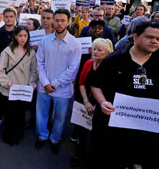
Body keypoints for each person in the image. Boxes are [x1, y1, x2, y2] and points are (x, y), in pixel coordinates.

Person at [90, 21, 159, 169]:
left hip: (146, 131)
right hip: (113, 131)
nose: (154, 41)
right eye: (149, 37)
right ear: (135, 37)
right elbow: (95, 85)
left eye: (158, 39)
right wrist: (102, 102)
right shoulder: (114, 60)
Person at [35, 9, 82, 153]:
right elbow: (39, 63)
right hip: (44, 87)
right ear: (52, 21)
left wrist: (54, 84)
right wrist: (45, 83)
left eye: (63, 20)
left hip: (62, 89)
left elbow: (72, 70)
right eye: (57, 20)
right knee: (41, 114)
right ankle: (43, 136)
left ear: (68, 22)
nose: (59, 23)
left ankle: (55, 139)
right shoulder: (44, 40)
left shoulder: (75, 44)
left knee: (60, 118)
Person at [74, 38, 113, 167]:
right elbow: (81, 83)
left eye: (100, 50)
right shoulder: (88, 63)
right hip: (85, 101)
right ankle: (80, 154)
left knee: (97, 135)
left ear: (108, 52)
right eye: (94, 49)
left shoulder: (110, 67)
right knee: (82, 130)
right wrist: (86, 102)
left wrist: (98, 104)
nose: (95, 52)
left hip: (101, 106)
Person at [0, 26, 38, 146]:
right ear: (15, 36)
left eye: (25, 36)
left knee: (20, 115)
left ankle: (18, 135)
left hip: (23, 90)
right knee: (10, 114)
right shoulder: (7, 51)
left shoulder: (31, 52)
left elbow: (34, 71)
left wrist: (31, 83)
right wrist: (6, 82)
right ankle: (7, 136)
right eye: (20, 36)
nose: (23, 38)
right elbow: (1, 70)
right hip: (10, 88)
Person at [0, 7, 17, 132]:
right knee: (1, 96)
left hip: (17, 71)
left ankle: (11, 120)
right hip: (0, 70)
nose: (8, 18)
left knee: (14, 97)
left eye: (11, 16)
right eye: (6, 16)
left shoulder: (20, 32)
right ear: (3, 17)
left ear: (15, 17)